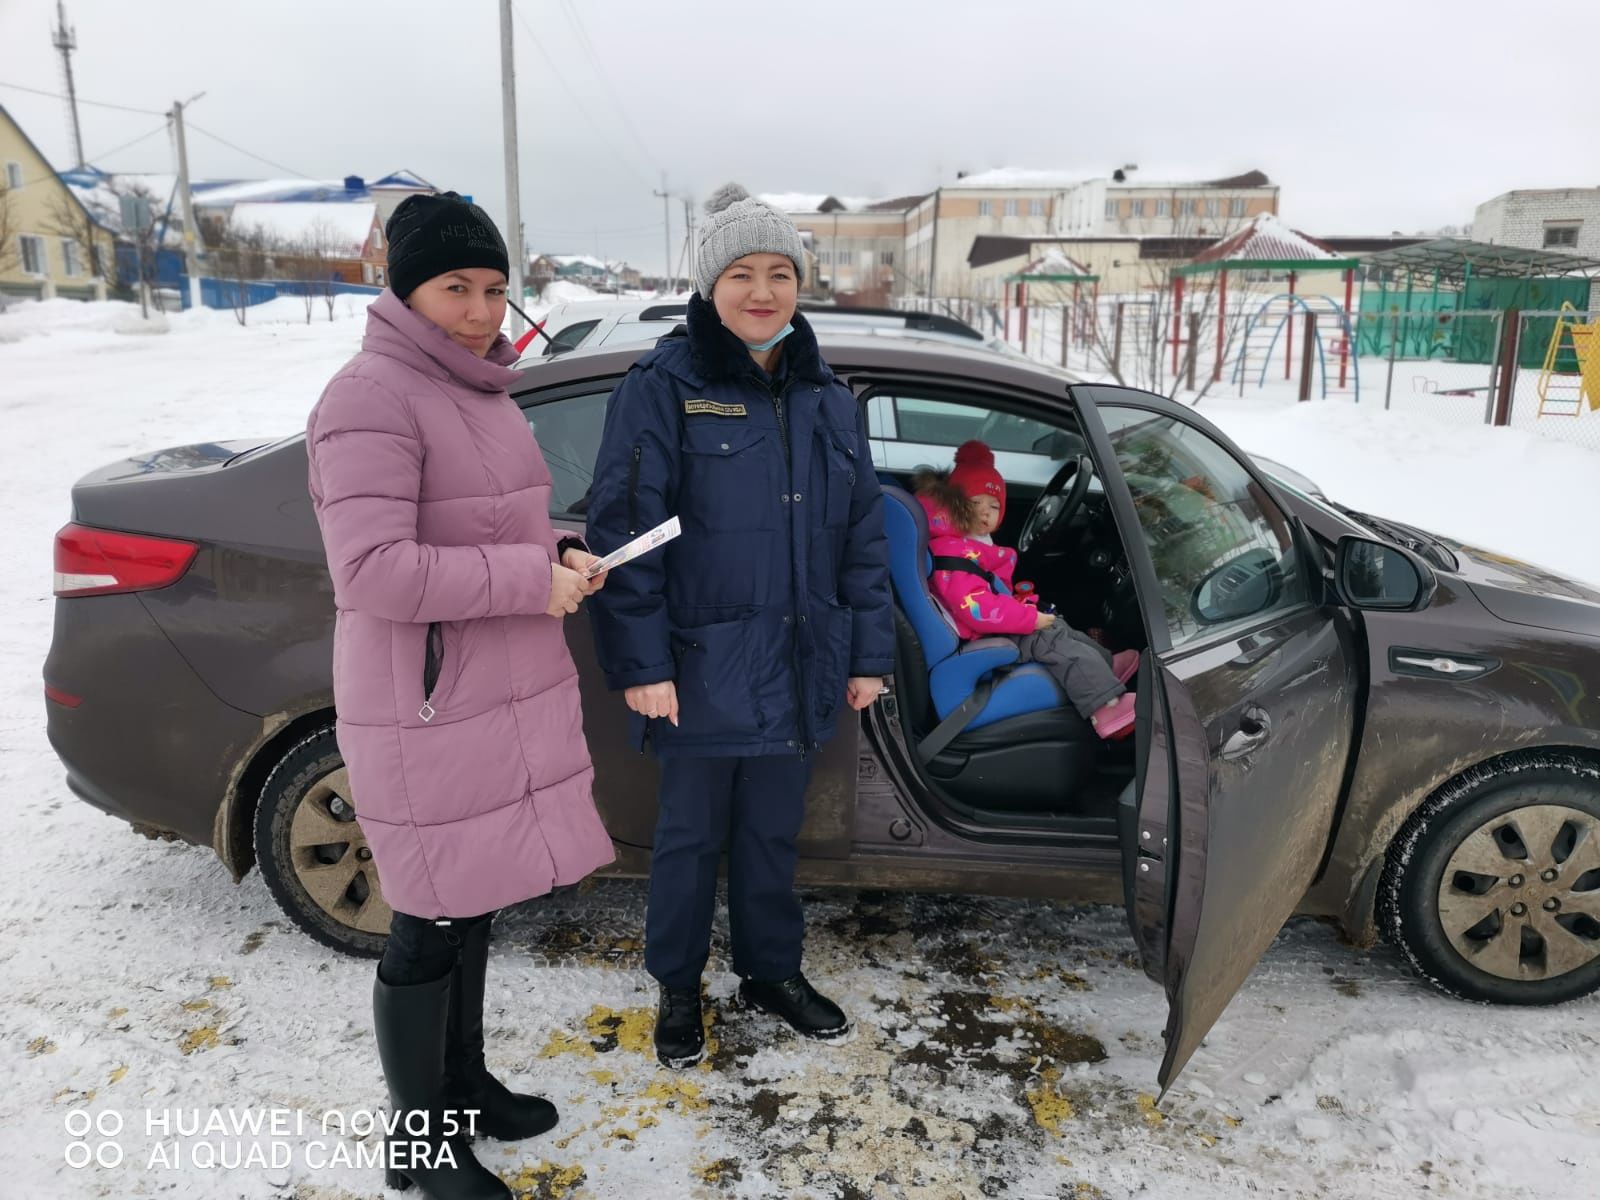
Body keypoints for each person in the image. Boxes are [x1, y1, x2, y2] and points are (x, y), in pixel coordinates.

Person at [305, 191, 616, 1200]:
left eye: (492, 288)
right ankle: (420, 1144)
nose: (480, 310)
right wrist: (532, 582)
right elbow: (375, 572)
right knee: (429, 917)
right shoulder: (370, 396)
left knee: (471, 901)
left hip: (492, 688)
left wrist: (558, 554)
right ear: (406, 290)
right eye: (455, 289)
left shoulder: (478, 390)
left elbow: (479, 532)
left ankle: (464, 1086)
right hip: (424, 702)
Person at [585, 184, 894, 1069]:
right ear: (710, 284)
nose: (763, 292)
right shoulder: (662, 387)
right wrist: (642, 664)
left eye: (780, 273)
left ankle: (770, 971)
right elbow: (625, 535)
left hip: (799, 659)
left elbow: (861, 536)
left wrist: (867, 650)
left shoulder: (830, 400)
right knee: (689, 838)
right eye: (742, 274)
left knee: (771, 833)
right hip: (700, 662)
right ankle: (679, 987)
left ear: (800, 284)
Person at [914, 440, 1138, 739]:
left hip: (988, 626)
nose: (985, 513)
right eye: (974, 504)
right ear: (954, 506)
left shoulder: (967, 544)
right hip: (980, 635)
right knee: (1050, 638)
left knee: (1056, 624)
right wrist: (1026, 619)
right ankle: (1106, 707)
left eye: (993, 506)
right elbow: (977, 609)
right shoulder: (954, 556)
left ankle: (1106, 667)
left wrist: (1025, 610)